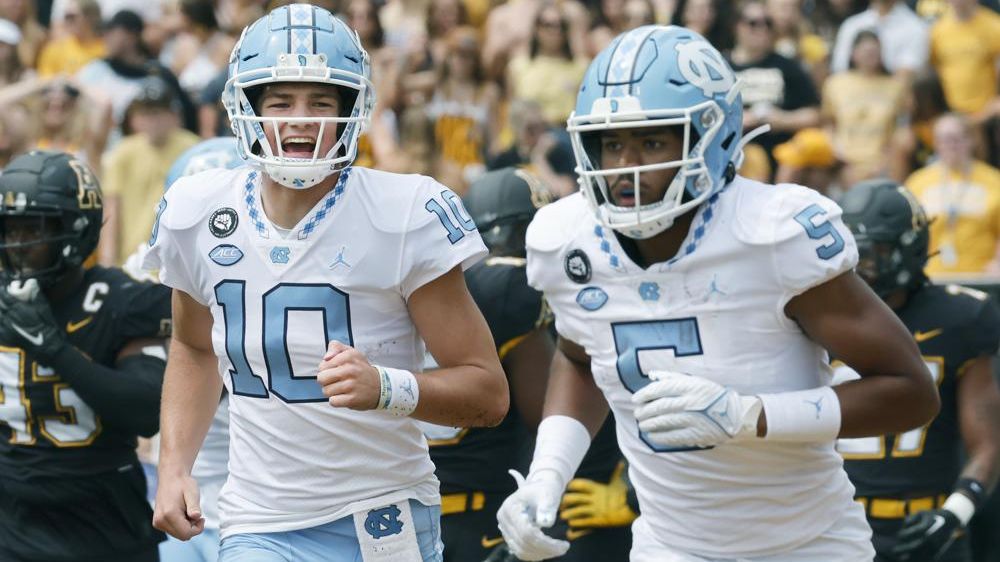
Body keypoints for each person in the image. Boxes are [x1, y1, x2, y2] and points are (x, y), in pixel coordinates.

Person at [496, 24, 940, 562]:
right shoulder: (566, 238)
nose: (626, 168)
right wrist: (548, 474)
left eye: (653, 140)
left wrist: (749, 416)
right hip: (671, 544)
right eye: (612, 143)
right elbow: (581, 357)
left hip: (808, 544)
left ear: (714, 136)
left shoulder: (772, 233)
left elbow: (912, 391)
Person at [145, 5, 508, 562]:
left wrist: (388, 388)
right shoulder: (199, 211)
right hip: (257, 518)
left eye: (320, 102)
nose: (300, 120)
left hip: (381, 514)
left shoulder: (403, 212)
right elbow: (195, 347)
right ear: (247, 109)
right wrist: (174, 466)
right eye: (281, 102)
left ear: (351, 110)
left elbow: (488, 392)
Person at [0, 150, 171, 561]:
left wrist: (52, 346)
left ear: (77, 230)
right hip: (13, 522)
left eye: (33, 229)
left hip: (102, 524)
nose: (18, 244)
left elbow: (147, 411)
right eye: (9, 229)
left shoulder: (121, 300)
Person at [836, 180, 1000, 562]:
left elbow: (988, 442)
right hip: (835, 521)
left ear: (909, 247)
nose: (861, 267)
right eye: (851, 251)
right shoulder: (817, 313)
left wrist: (954, 513)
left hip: (929, 520)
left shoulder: (962, 318)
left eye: (873, 253)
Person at [424, 167, 555, 562]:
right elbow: (550, 414)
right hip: (481, 520)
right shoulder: (507, 290)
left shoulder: (381, 287)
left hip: (385, 518)